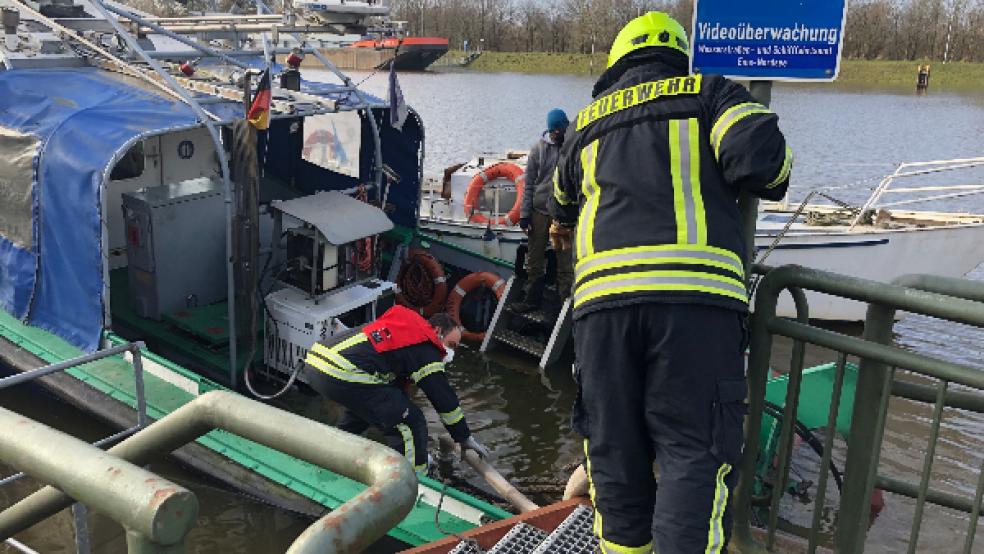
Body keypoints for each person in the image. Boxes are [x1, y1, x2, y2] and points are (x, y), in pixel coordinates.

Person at [549, 11, 792, 554]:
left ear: (616, 63)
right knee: (693, 451)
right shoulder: (711, 93)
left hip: (601, 308)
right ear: (679, 56)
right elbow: (763, 165)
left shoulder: (587, 122)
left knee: (613, 452)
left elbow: (557, 206)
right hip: (695, 304)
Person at [302, 306, 490, 474]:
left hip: (317, 363)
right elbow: (442, 397)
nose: (451, 354)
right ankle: (416, 485)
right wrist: (463, 437)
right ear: (437, 331)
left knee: (371, 413)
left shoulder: (406, 333)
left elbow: (394, 395)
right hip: (341, 369)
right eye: (451, 345)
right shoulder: (426, 345)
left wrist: (421, 452)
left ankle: (329, 459)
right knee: (411, 421)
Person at [512, 108, 574, 313]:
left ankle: (564, 303)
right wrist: (524, 215)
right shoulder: (537, 150)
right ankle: (531, 300)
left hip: (561, 214)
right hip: (539, 211)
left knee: (565, 261)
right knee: (534, 258)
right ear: (550, 130)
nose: (558, 133)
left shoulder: (572, 147)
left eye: (561, 129)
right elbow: (529, 184)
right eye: (555, 130)